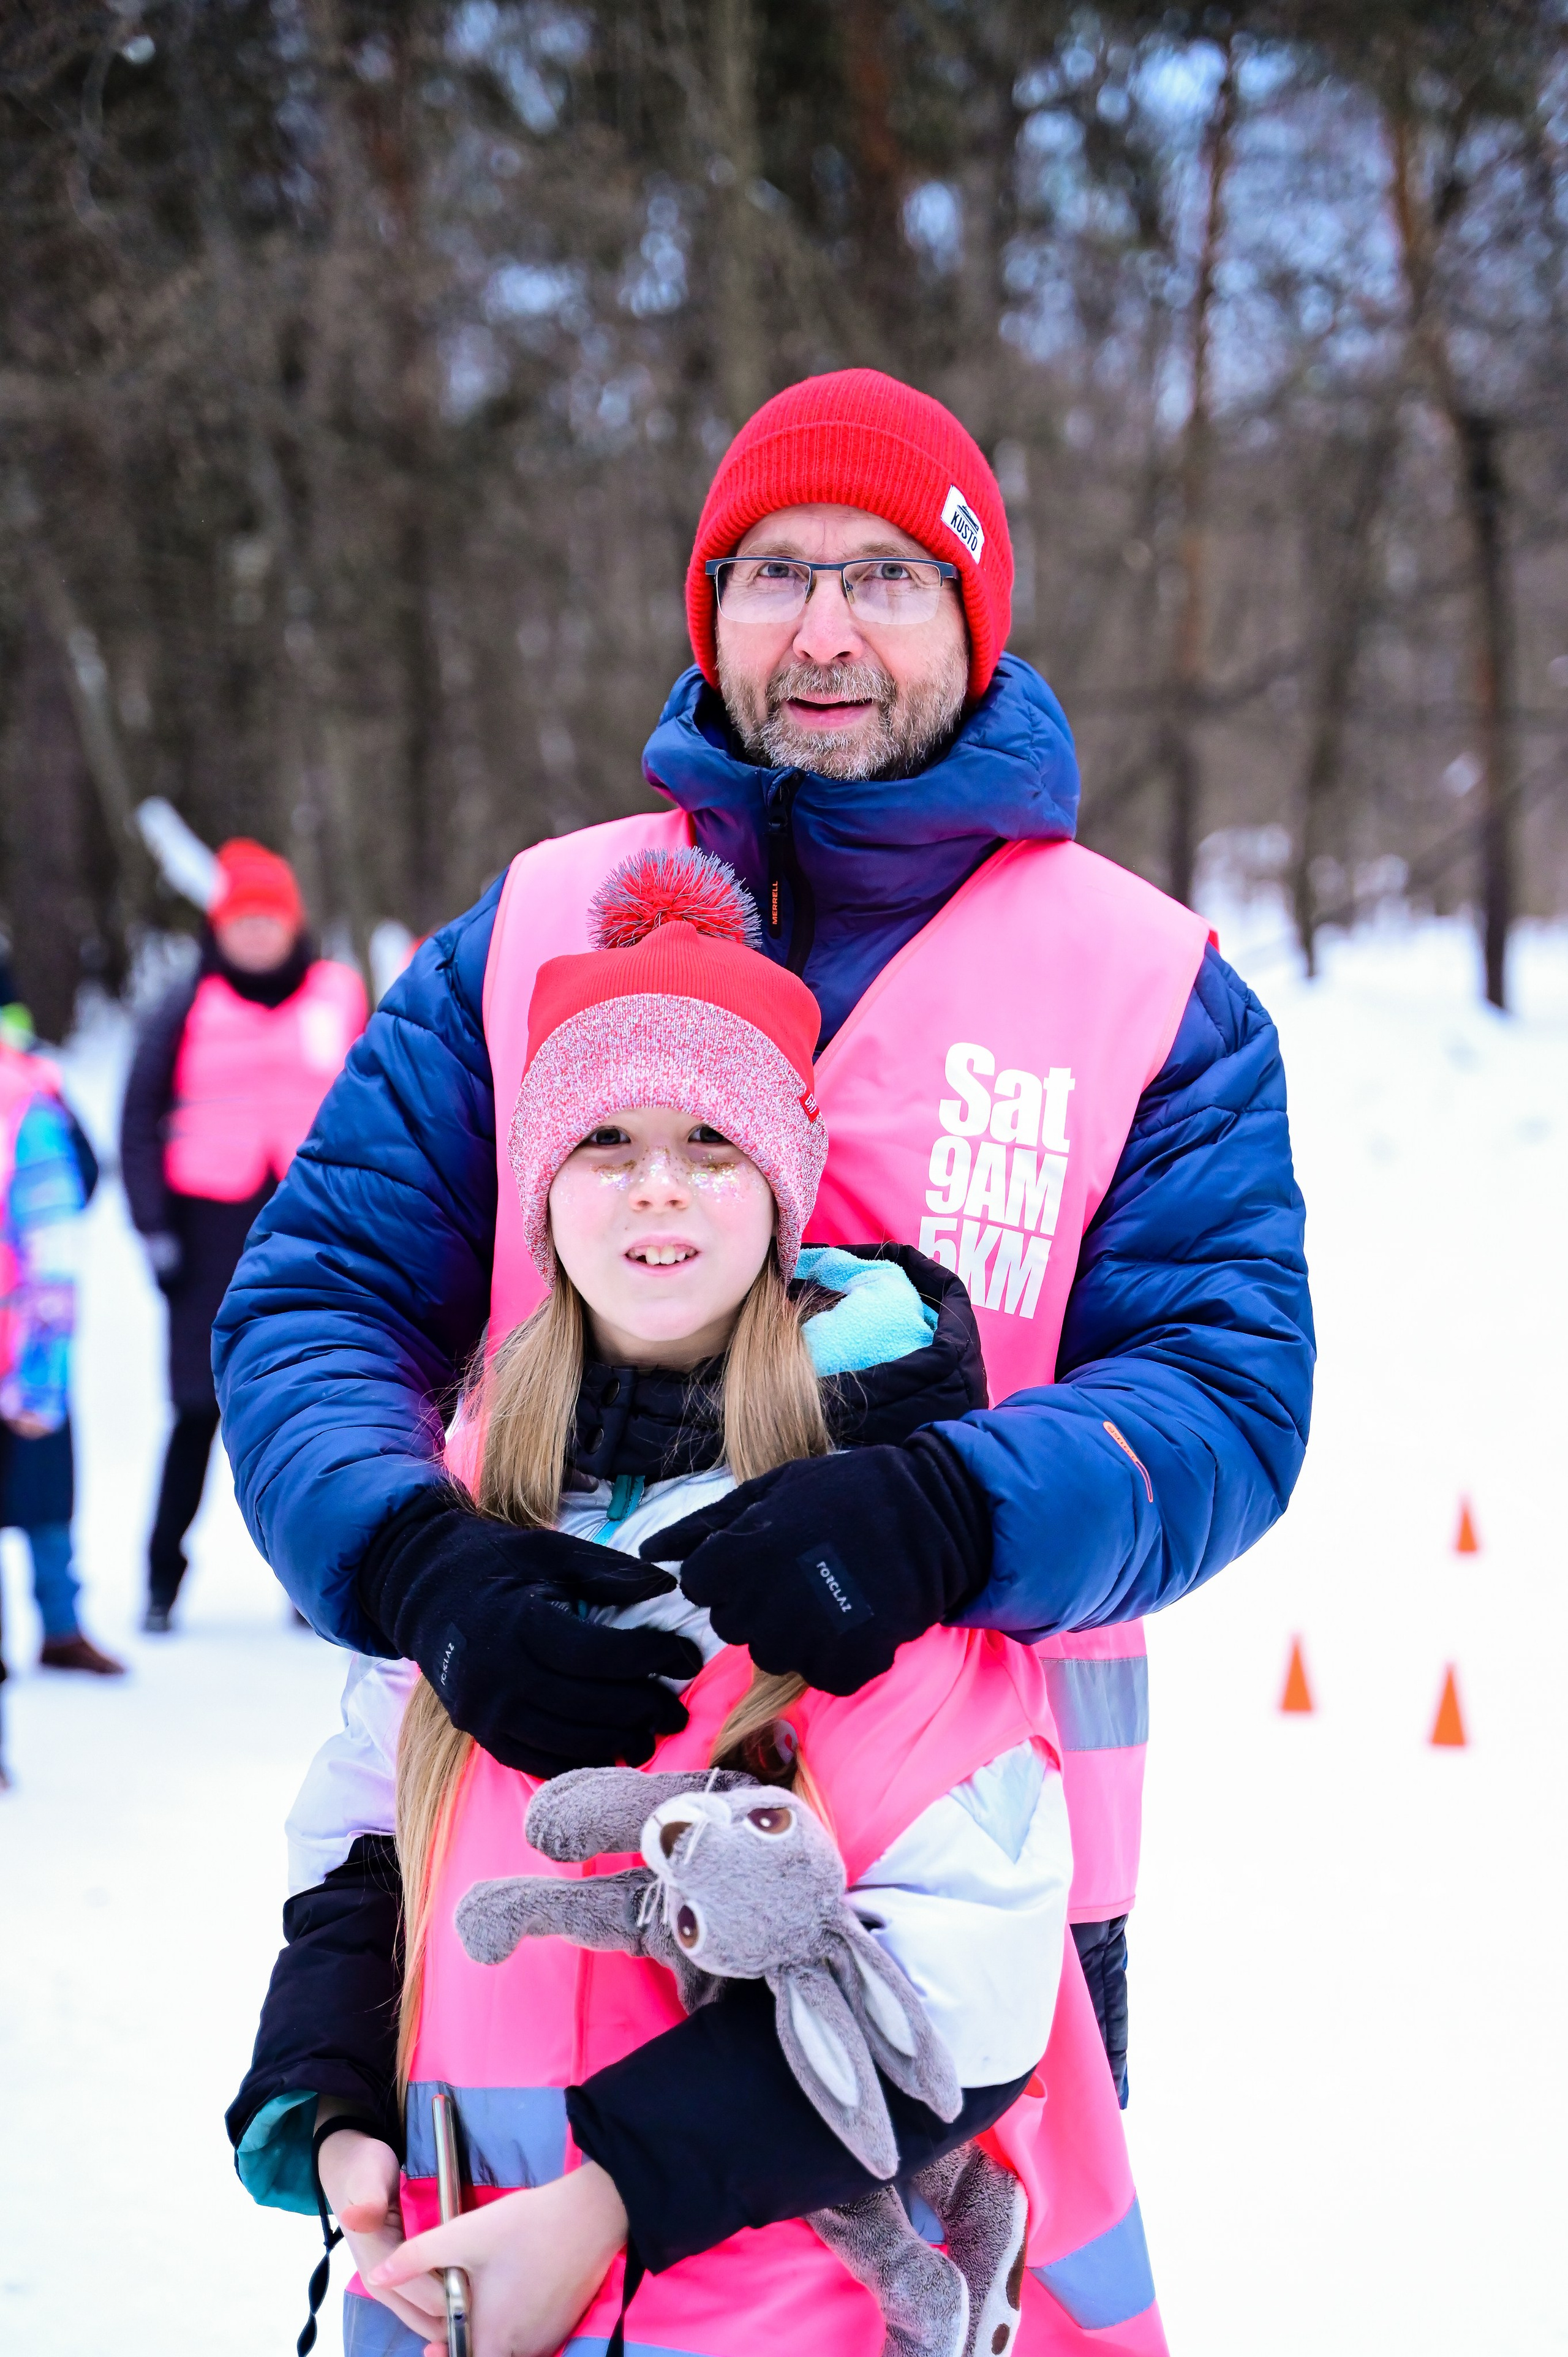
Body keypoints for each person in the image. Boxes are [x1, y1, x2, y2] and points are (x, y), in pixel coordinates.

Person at [216, 369, 1314, 2109]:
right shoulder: (534, 929)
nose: (823, 628)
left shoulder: (1146, 986)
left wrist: (959, 1510)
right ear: (711, 609)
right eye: (773, 571)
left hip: (956, 1885)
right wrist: (415, 1560)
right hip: (537, 1845)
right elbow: (317, 1299)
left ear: (971, 611)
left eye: (885, 575)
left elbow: (1227, 1393)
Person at [228, 854, 1164, 2354]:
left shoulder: (872, 1537)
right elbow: (364, 1845)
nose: (656, 1180)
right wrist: (336, 2108)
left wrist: (598, 2204)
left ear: (780, 1195)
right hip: (462, 2281)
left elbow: (959, 1991)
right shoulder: (475, 1506)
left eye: (709, 1143)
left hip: (781, 2305)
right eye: (603, 1138)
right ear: (537, 1190)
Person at [120, 840, 367, 1631]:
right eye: (242, 922)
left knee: (311, 1405)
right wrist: (153, 1227)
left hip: (312, 1227)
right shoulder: (184, 1003)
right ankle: (163, 1581)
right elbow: (136, 1119)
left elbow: (379, 1105)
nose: (257, 935)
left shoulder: (339, 994)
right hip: (207, 1229)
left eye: (270, 920)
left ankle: (313, 1585)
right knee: (198, 1408)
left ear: (294, 925)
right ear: (218, 929)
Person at [0, 989, 123, 1738]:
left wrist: (41, 1373)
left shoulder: (29, 1109)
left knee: (44, 1499)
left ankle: (59, 1621)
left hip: (24, 1358)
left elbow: (56, 1246)